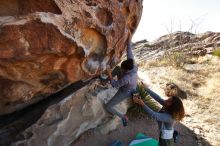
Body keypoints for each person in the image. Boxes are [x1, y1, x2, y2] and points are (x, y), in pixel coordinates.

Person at [105, 33, 138, 126]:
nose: (123, 69)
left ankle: (123, 117)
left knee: (108, 106)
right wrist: (129, 36)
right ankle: (104, 81)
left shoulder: (127, 78)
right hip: (127, 83)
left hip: (125, 91)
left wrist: (109, 72)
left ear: (127, 70)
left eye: (124, 69)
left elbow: (115, 85)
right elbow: (129, 49)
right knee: (118, 69)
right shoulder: (131, 63)